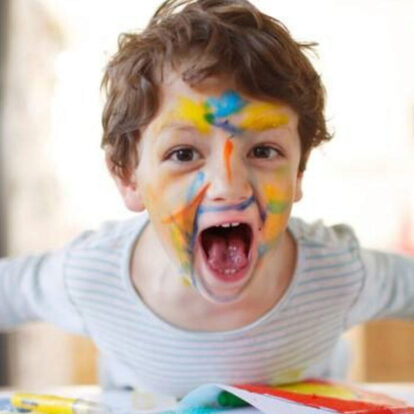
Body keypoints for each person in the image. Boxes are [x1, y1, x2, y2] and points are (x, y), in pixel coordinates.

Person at [1, 0, 413, 398]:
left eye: (264, 151)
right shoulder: (93, 276)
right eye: (184, 154)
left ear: (299, 172)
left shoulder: (337, 273)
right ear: (128, 177)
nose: (229, 186)